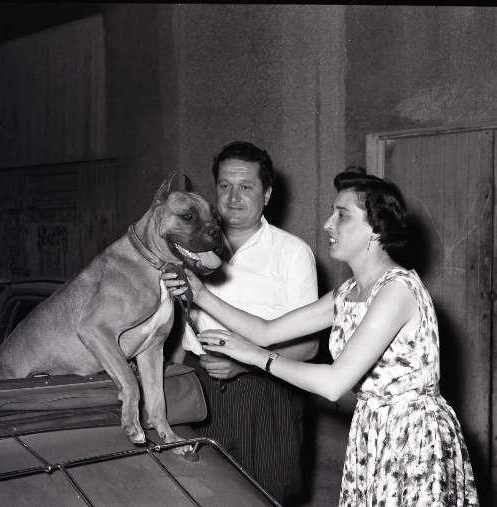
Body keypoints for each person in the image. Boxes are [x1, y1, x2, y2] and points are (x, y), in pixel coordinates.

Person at [166, 168, 479, 506]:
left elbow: (334, 383)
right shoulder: (347, 292)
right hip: (372, 429)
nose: (328, 224)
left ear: (376, 229)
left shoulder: (397, 290)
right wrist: (200, 294)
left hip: (412, 435)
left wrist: (254, 356)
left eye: (342, 215)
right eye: (332, 213)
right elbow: (266, 331)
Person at [174, 141, 319, 503]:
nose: (233, 197)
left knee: (265, 494)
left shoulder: (293, 253)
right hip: (197, 387)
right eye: (224, 186)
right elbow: (173, 330)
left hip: (265, 393)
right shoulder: (189, 250)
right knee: (196, 493)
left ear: (267, 194)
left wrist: (244, 364)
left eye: (246, 187)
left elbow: (308, 347)